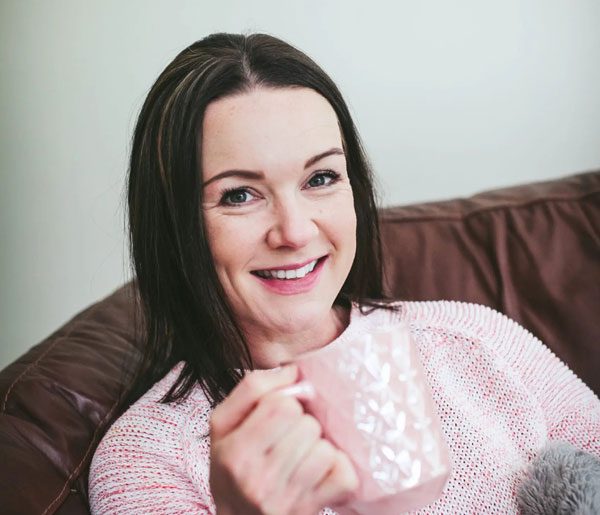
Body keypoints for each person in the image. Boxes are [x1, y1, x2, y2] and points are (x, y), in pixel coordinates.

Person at [88, 33, 600, 514]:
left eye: (321, 178)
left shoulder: (475, 340)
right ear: (175, 227)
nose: (294, 232)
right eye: (239, 194)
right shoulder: (146, 460)